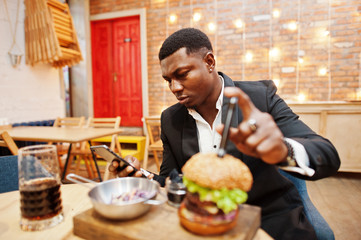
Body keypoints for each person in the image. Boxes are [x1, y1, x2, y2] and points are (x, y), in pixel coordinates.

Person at [109, 28, 340, 239]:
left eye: (182, 74)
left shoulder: (260, 98)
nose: (174, 88)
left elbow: (327, 154)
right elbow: (174, 180)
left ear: (209, 62)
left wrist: (283, 150)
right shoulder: (171, 119)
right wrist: (141, 177)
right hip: (204, 223)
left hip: (268, 221)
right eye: (168, 80)